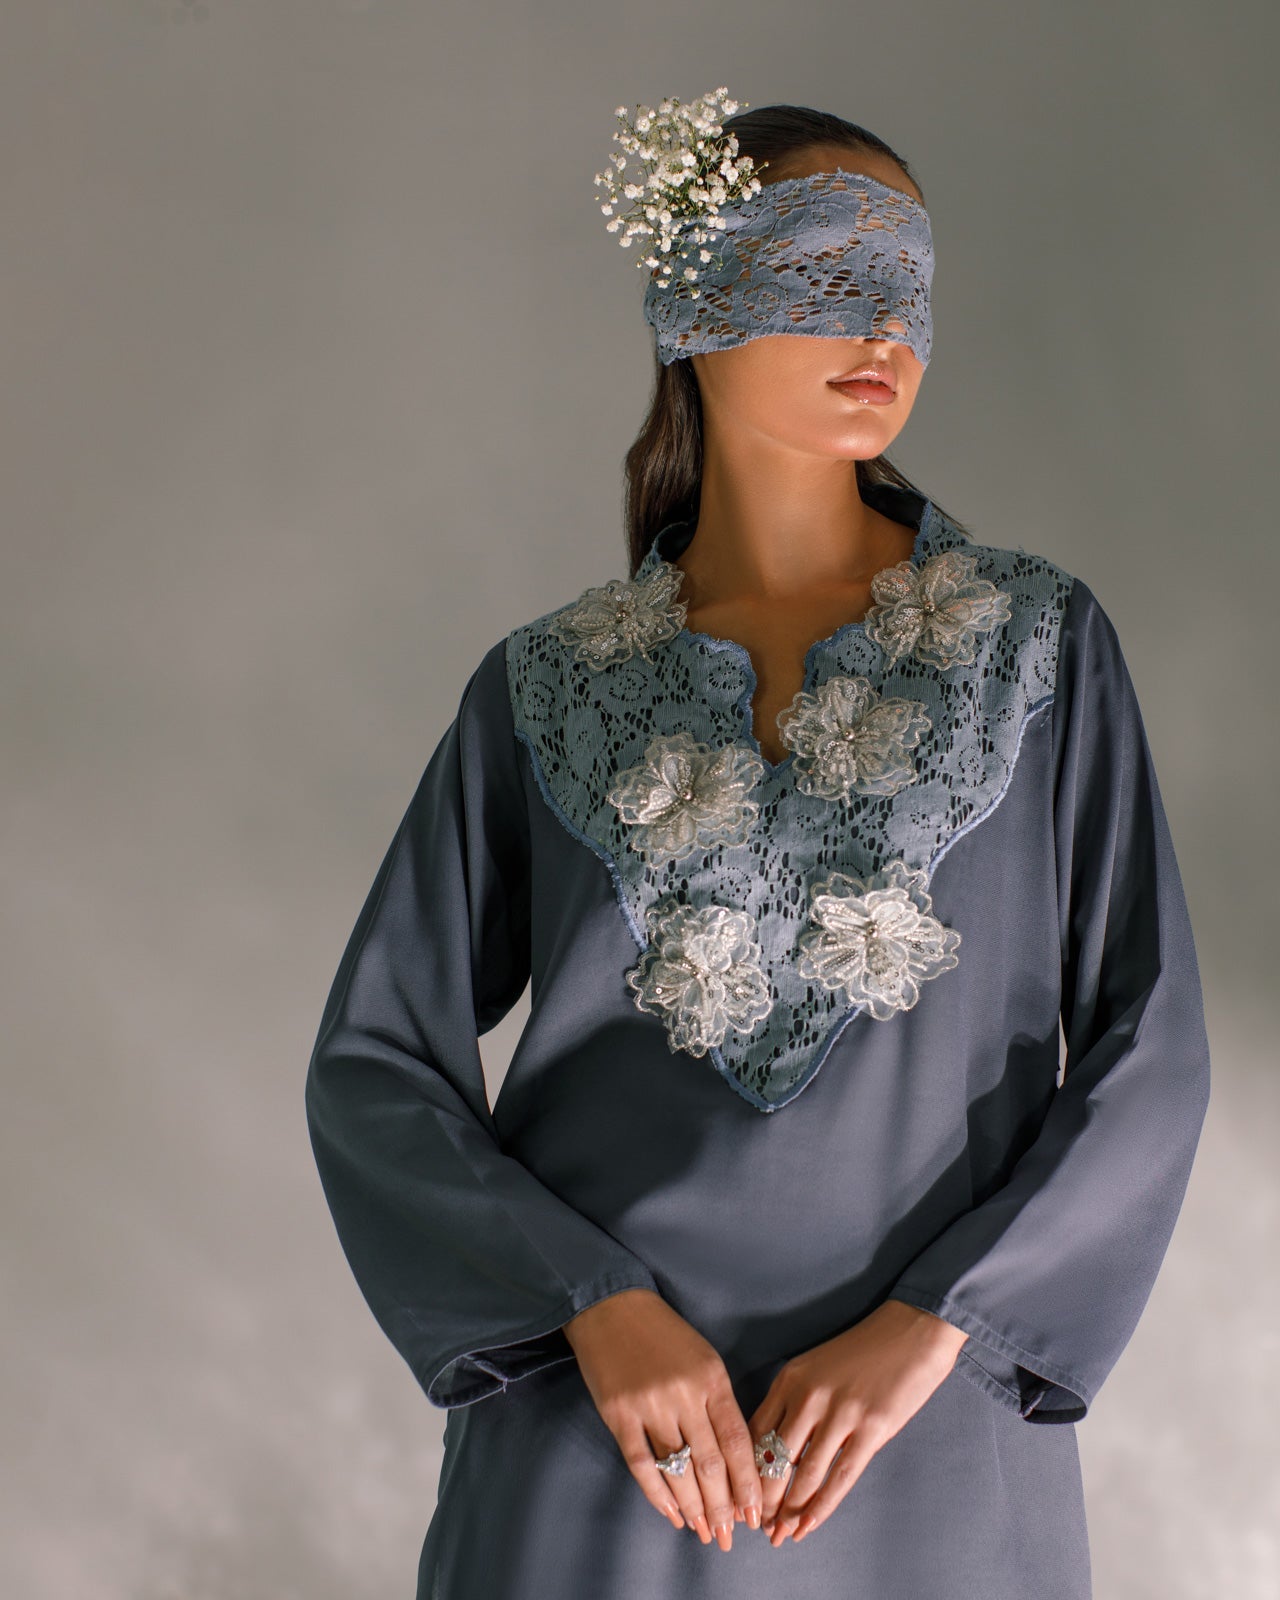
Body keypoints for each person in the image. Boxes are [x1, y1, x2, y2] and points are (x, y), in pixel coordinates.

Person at [304, 92, 1211, 1600]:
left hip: (929, 1452)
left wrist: (944, 1321)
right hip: (607, 1446)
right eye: (829, 273)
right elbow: (372, 1066)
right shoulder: (548, 686)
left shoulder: (1038, 649)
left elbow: (1152, 1041)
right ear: (690, 303)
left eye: (908, 285)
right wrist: (591, 1304)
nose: (887, 327)